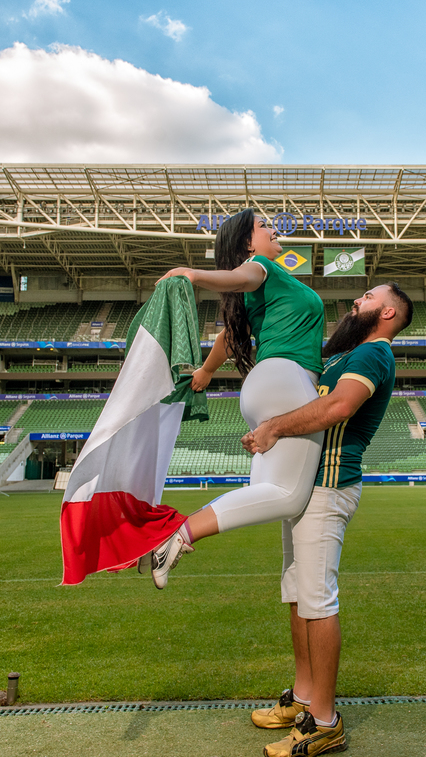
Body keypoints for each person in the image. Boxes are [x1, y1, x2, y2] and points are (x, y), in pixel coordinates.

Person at [241, 282, 413, 757]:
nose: (357, 301)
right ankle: (302, 697)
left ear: (388, 313)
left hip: (328, 487)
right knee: (297, 595)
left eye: (368, 297)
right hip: (301, 487)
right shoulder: (346, 355)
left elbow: (337, 408)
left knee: (317, 601)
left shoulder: (375, 355)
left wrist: (274, 427)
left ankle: (324, 721)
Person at [147, 208, 326, 588]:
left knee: (267, 491)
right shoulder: (261, 266)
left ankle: (299, 589)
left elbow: (230, 337)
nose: (273, 228)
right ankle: (180, 533)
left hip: (264, 386)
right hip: (287, 381)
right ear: (248, 242)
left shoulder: (267, 289)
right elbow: (241, 276)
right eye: (263, 226)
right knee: (290, 497)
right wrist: (193, 275)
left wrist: (207, 371)